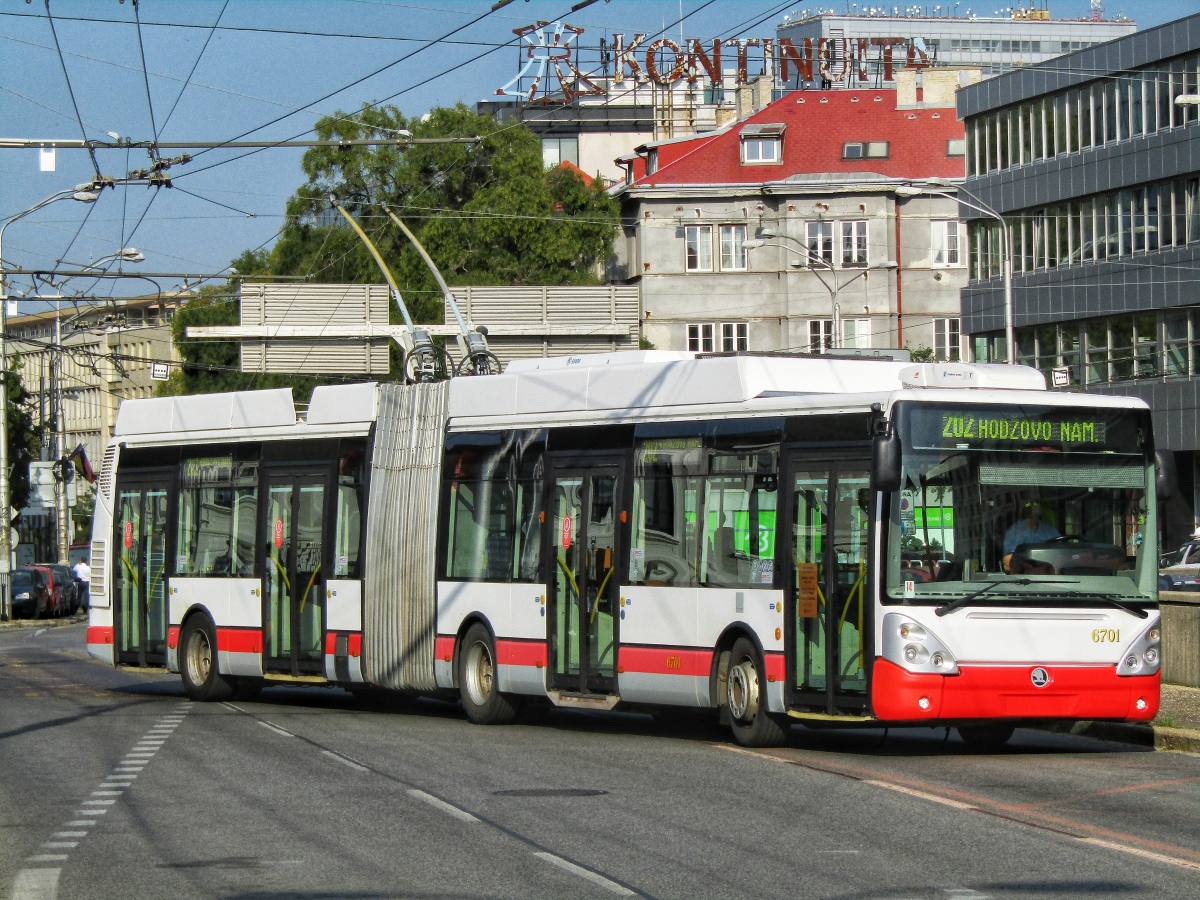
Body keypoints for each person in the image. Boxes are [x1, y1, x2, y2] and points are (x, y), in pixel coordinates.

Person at [1003, 499, 1060, 573]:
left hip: (1049, 574)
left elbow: (1060, 552)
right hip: (1024, 578)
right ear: (1024, 509)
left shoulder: (1049, 529)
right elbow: (1009, 560)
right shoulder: (1013, 533)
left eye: (1037, 504)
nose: (1035, 508)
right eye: (1030, 505)